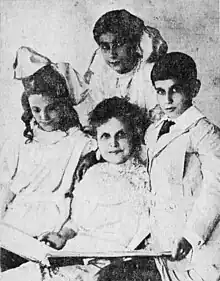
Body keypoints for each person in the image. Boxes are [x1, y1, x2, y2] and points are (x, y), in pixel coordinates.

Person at [0, 97, 159, 281]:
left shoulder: (144, 177)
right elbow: (75, 222)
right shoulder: (93, 173)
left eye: (121, 135)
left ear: (134, 134)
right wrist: (61, 236)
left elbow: (143, 232)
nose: (113, 144)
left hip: (110, 263)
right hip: (75, 253)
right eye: (105, 136)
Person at [0, 47, 96, 270]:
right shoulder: (19, 143)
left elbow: (82, 196)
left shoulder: (80, 143)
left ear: (63, 104)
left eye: (51, 108)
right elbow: (6, 189)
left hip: (53, 225)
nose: (44, 117)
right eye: (36, 110)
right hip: (14, 224)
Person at [144, 52, 220, 280]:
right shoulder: (154, 130)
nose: (166, 100)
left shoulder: (205, 133)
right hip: (163, 237)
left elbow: (216, 189)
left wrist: (192, 234)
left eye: (175, 90)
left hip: (199, 241)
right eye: (160, 91)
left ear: (194, 89)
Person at [83, 9, 168, 122]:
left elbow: (159, 120)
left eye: (118, 44)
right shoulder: (100, 73)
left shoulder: (149, 73)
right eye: (105, 47)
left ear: (133, 43)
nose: (112, 54)